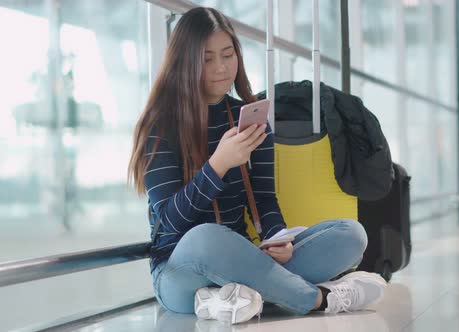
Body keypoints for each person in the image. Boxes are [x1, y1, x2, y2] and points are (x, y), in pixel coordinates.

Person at [127, 7, 387, 325]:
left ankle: (234, 298)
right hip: (180, 273)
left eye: (228, 54)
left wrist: (278, 237)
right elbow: (169, 223)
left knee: (351, 234)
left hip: (245, 259)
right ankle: (320, 298)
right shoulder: (160, 125)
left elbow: (264, 198)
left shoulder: (249, 117)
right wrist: (217, 166)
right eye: (207, 58)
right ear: (185, 62)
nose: (221, 68)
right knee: (206, 237)